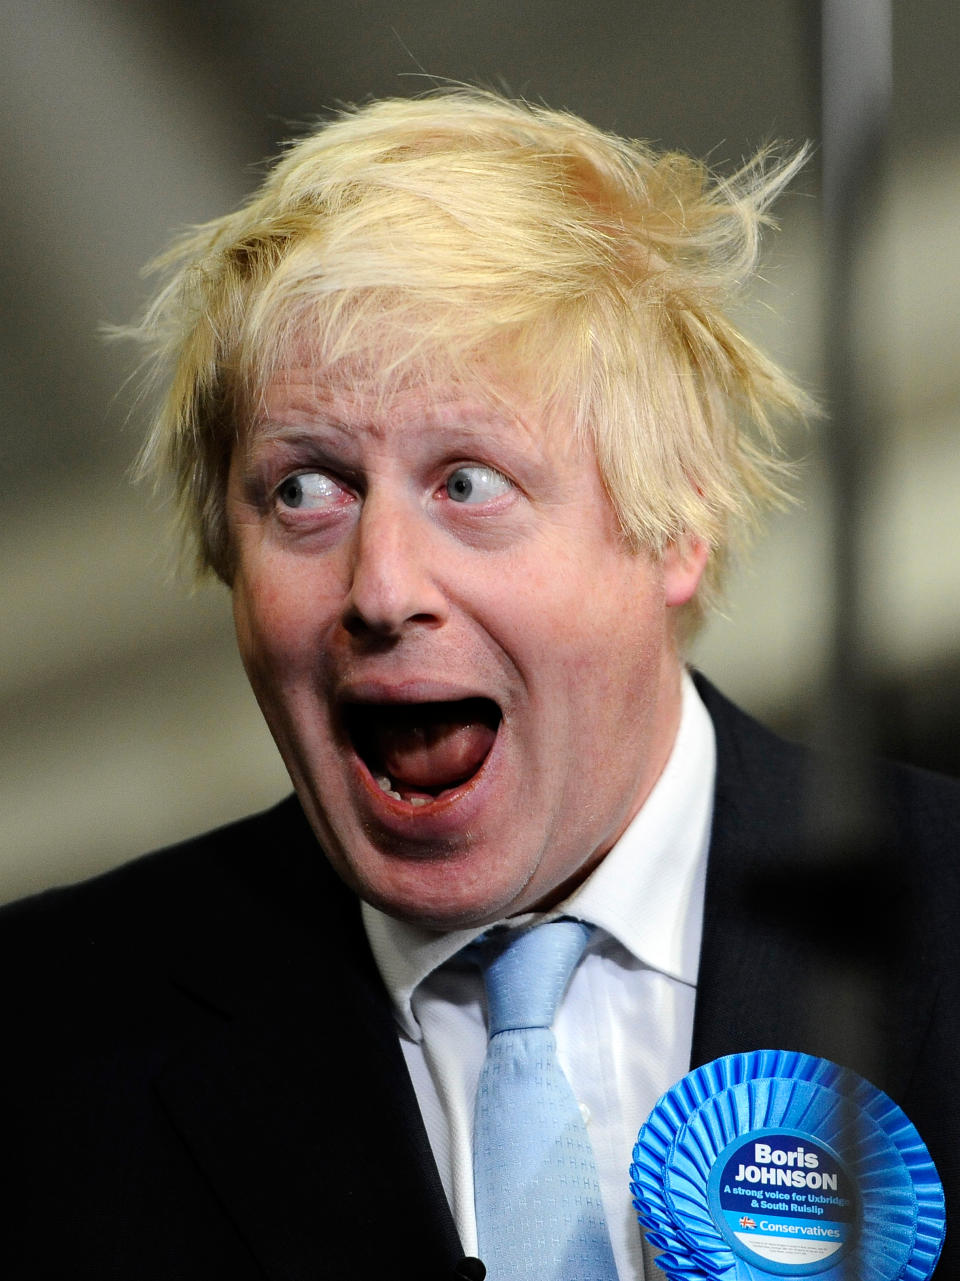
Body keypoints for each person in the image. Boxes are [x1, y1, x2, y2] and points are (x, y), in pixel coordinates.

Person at [1, 89, 957, 1280]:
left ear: (674, 530)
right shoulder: (34, 1047)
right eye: (306, 490)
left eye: (467, 481)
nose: (380, 586)